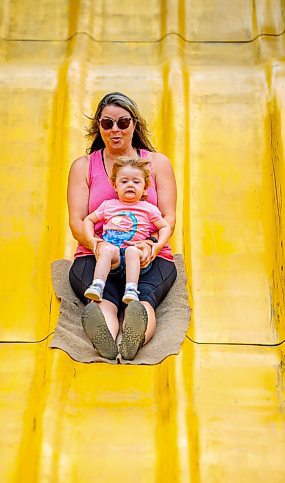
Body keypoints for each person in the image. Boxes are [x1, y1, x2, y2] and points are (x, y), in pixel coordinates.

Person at [68, 92, 177, 360]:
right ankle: (104, 334)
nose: (115, 130)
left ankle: (133, 337)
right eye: (107, 123)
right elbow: (77, 220)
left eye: (123, 122)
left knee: (142, 297)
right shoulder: (84, 166)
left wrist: (152, 246)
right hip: (96, 255)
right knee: (104, 295)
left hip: (147, 256)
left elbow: (168, 217)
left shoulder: (158, 163)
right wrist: (96, 244)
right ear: (98, 128)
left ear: (134, 124)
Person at [83, 156, 171, 308]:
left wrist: (156, 247)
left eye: (136, 182)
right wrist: (91, 239)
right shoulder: (108, 205)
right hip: (114, 259)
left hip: (137, 258)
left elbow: (164, 227)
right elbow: (88, 220)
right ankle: (97, 285)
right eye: (124, 181)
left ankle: (131, 289)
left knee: (132, 250)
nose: (130, 185)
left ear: (145, 187)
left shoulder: (148, 208)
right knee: (107, 249)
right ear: (115, 185)